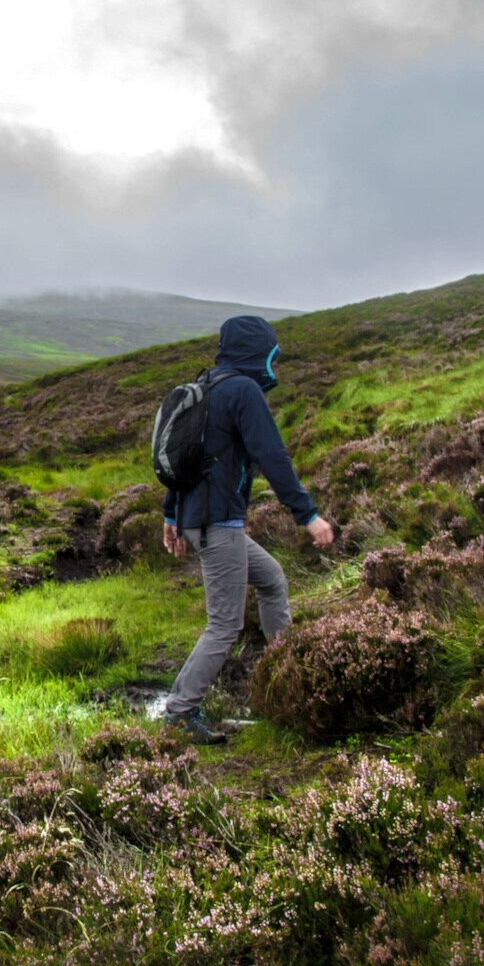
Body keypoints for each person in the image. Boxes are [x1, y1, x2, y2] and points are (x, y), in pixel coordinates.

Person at [160, 315, 334, 744]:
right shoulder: (243, 390)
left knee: (272, 580)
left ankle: (284, 677)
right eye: (272, 356)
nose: (274, 366)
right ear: (258, 353)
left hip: (205, 520)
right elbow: (271, 456)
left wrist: (170, 515)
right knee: (224, 625)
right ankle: (181, 712)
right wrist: (307, 515)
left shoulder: (208, 386)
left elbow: (184, 460)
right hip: (217, 524)